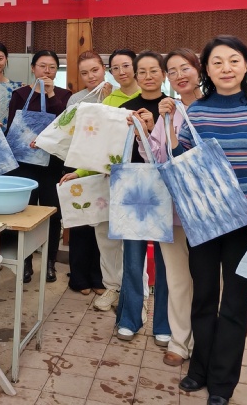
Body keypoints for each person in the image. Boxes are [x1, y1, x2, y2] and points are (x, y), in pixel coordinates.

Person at [165, 35, 247, 405]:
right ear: (207, 69)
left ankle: (222, 381)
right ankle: (199, 367)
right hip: (204, 219)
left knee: (235, 302)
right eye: (217, 62)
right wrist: (169, 124)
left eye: (233, 60)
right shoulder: (197, 110)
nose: (226, 68)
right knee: (203, 296)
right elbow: (183, 160)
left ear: (246, 64)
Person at [132, 48, 201, 365]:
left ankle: (203, 339)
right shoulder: (168, 112)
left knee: (208, 278)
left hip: (206, 207)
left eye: (184, 68)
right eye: (172, 71)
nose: (179, 76)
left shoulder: (212, 109)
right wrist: (147, 132)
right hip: (171, 206)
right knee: (175, 277)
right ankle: (179, 340)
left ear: (199, 70)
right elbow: (155, 157)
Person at [61, 48, 139, 312]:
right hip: (101, 173)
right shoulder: (102, 101)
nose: (121, 72)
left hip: (136, 178)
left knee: (131, 240)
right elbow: (93, 144)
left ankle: (134, 292)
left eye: (125, 66)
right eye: (116, 67)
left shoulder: (144, 96)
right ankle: (106, 285)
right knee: (101, 233)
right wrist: (79, 172)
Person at [115, 51, 170, 344]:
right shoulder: (124, 109)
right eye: (142, 72)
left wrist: (152, 127)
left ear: (164, 74)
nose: (148, 76)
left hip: (167, 189)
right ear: (136, 76)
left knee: (167, 261)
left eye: (154, 70)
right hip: (132, 189)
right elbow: (114, 151)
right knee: (133, 258)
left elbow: (178, 151)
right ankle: (129, 318)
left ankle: (164, 323)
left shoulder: (172, 108)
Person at [8, 50, 72, 283]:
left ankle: (50, 263)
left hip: (52, 164)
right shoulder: (20, 94)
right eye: (42, 66)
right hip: (24, 164)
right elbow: (12, 127)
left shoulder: (64, 95)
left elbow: (65, 124)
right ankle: (25, 262)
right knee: (25, 212)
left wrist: (51, 94)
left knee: (52, 213)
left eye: (52, 67)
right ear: (33, 68)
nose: (47, 71)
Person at [64, 51, 111, 296]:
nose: (91, 76)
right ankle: (79, 278)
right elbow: (69, 133)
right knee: (81, 221)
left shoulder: (116, 94)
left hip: (107, 165)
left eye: (95, 70)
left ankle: (100, 278)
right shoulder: (76, 99)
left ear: (104, 69)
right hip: (80, 163)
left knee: (102, 221)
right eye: (84, 73)